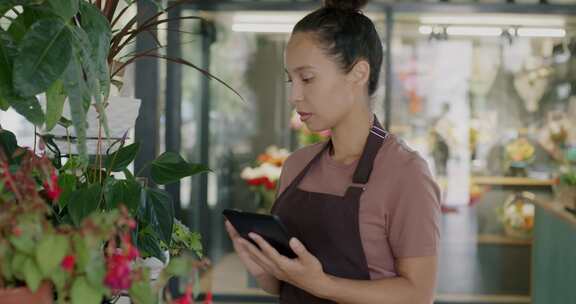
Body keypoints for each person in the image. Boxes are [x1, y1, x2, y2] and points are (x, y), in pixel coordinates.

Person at [225, 1, 441, 303]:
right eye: (291, 79)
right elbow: (281, 285)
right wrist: (261, 268)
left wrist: (322, 284)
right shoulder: (296, 166)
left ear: (358, 73)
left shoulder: (406, 174)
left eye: (307, 78)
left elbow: (419, 296)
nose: (294, 95)